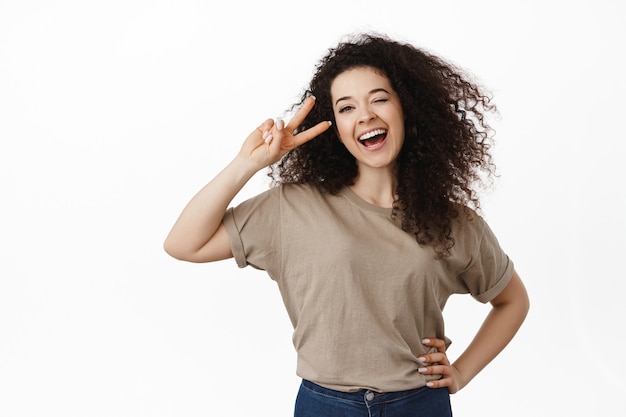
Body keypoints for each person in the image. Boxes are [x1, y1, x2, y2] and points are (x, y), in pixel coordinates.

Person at [164, 33, 530, 417]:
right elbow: (183, 244)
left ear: (408, 107)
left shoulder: (453, 221)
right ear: (334, 126)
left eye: (380, 99)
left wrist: (462, 372)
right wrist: (248, 164)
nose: (366, 115)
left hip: (419, 403)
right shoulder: (293, 207)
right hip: (325, 405)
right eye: (346, 108)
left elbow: (512, 301)